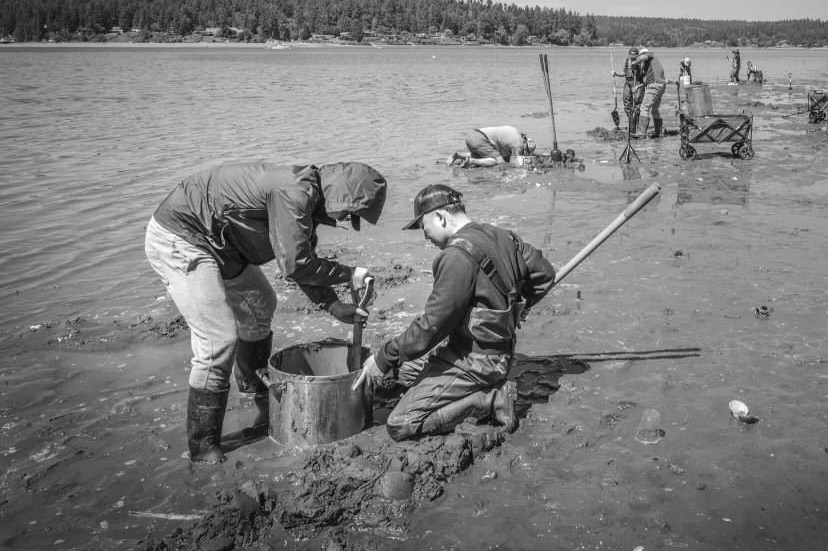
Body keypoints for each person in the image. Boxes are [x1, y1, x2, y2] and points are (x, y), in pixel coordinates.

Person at [145, 161, 387, 463]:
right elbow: (294, 265)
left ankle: (254, 393)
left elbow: (302, 262)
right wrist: (349, 273)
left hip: (223, 248)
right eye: (350, 213)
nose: (344, 220)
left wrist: (334, 306)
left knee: (261, 303)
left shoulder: (306, 203)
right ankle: (203, 447)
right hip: (183, 237)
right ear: (341, 195)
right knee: (218, 339)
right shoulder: (294, 194)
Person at [353, 184, 555, 441]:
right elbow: (545, 274)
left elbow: (432, 327)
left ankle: (490, 398)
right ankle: (480, 386)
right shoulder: (505, 236)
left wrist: (383, 357)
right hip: (495, 352)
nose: (425, 237)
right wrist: (520, 306)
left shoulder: (456, 256)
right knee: (401, 370)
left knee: (401, 423)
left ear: (440, 216)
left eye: (424, 228)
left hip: (476, 362)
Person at [448, 126, 536, 167]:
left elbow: (504, 149)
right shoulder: (519, 144)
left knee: (481, 157)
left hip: (472, 136)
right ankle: (471, 161)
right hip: (480, 139)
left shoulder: (515, 131)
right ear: (525, 145)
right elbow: (519, 163)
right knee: (499, 162)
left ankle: (459, 156)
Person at [632, 47, 668, 138]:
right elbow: (648, 82)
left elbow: (642, 58)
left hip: (655, 85)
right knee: (655, 110)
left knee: (644, 107)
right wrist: (638, 87)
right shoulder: (652, 65)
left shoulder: (649, 55)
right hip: (661, 86)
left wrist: (634, 63)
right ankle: (658, 132)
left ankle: (641, 132)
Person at [612, 47, 645, 135]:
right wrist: (615, 73)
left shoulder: (641, 61)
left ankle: (635, 126)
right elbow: (623, 73)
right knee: (626, 104)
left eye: (635, 56)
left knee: (637, 105)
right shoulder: (627, 61)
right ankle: (631, 121)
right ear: (629, 54)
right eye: (632, 55)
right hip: (628, 83)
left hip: (638, 83)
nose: (633, 57)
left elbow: (644, 74)